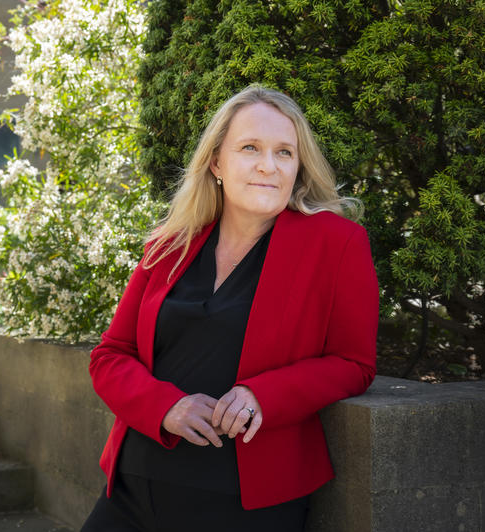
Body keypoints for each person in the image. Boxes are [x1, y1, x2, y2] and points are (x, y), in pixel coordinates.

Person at [83, 85, 379, 532]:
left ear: (298, 168)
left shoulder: (336, 244)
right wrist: (167, 407)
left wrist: (265, 394)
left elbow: (354, 363)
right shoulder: (169, 245)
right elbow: (110, 355)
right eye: (250, 148)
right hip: (135, 487)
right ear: (216, 162)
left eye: (284, 152)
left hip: (247, 500)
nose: (268, 165)